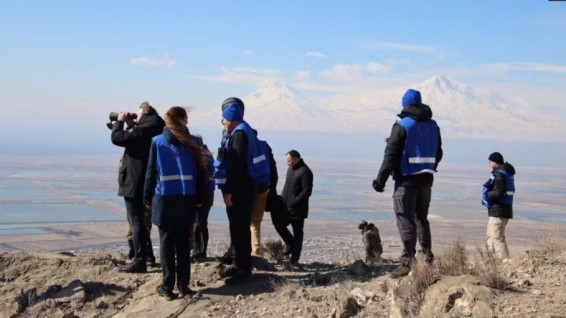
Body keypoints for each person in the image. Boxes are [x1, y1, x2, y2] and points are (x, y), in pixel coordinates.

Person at [372, 88, 442, 278]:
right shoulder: (434, 125)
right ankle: (427, 257)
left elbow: (391, 155)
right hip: (427, 179)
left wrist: (380, 180)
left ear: (405, 105)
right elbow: (439, 153)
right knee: (421, 218)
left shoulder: (402, 125)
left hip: (407, 180)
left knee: (405, 218)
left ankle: (407, 262)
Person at [144, 106, 207, 300]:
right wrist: (199, 199)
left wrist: (147, 198)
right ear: (183, 120)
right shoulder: (193, 143)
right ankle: (183, 286)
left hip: (164, 200)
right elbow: (201, 173)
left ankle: (167, 286)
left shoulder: (157, 142)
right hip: (187, 199)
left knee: (166, 244)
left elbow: (151, 173)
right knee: (183, 243)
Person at [111, 101, 164, 273]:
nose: (136, 116)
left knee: (136, 222)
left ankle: (139, 261)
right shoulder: (156, 127)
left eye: (138, 113)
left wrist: (119, 122)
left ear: (146, 113)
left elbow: (117, 138)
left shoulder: (145, 129)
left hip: (135, 180)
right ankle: (147, 255)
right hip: (147, 181)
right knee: (140, 222)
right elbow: (136, 139)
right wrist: (131, 124)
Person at [215, 100, 261, 285]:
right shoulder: (244, 129)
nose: (223, 122)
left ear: (230, 118)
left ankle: (243, 268)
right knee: (238, 227)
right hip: (246, 187)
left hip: (240, 189)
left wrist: (228, 191)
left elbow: (236, 167)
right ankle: (238, 262)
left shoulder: (239, 134)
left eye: (224, 119)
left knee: (240, 227)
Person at [280, 149, 313, 268]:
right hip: (286, 207)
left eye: (289, 161)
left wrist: (294, 202)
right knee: (279, 224)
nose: (287, 163)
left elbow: (307, 191)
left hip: (298, 210)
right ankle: (290, 243)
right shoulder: (290, 169)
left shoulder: (305, 171)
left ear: (295, 158)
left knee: (298, 234)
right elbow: (286, 187)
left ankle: (295, 260)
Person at [482, 152, 515, 260]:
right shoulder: (505, 173)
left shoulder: (500, 174)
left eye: (490, 162)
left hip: (499, 210)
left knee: (496, 237)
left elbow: (498, 192)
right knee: (491, 235)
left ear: (495, 161)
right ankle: (492, 261)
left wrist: (487, 195)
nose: (489, 164)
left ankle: (504, 262)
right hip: (500, 210)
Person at [249, 130, 275, 256]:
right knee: (256, 222)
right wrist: (272, 188)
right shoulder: (264, 146)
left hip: (247, 189)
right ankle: (256, 251)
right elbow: (273, 167)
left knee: (243, 220)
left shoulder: (244, 146)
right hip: (263, 188)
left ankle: (242, 251)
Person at [192, 143, 215, 261]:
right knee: (201, 223)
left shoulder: (202, 156)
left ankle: (200, 252)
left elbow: (202, 178)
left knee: (199, 223)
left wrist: (198, 198)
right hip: (208, 193)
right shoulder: (207, 154)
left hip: (203, 194)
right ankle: (200, 251)